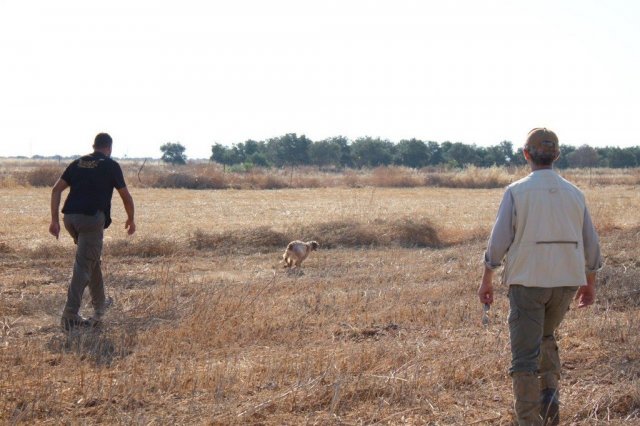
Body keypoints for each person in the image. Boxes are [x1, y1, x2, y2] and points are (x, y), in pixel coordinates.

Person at [477, 128, 602, 425]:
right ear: (556, 156)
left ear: (526, 154)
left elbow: (498, 241)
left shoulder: (516, 191)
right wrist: (589, 282)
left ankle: (529, 421)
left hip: (528, 281)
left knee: (524, 357)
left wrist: (487, 277)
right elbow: (591, 243)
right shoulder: (575, 193)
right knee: (546, 337)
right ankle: (550, 407)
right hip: (566, 283)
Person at [49, 133, 136, 331]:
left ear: (94, 146)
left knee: (91, 260)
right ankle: (70, 315)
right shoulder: (110, 165)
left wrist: (54, 220)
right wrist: (131, 219)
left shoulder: (78, 163)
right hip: (90, 220)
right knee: (83, 266)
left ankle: (100, 307)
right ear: (109, 148)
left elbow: (56, 190)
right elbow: (126, 196)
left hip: (70, 218)